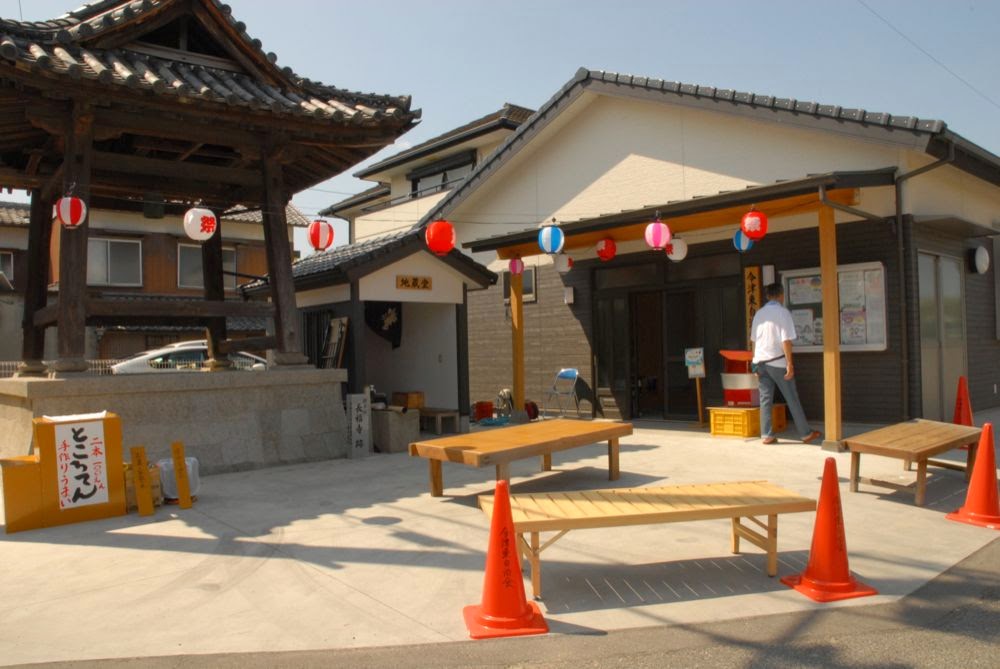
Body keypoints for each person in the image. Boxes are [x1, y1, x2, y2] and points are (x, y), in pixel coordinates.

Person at [750, 283, 821, 445]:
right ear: (781, 295)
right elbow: (786, 341)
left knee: (765, 399)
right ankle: (805, 433)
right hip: (778, 362)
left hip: (760, 362)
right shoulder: (783, 313)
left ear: (767, 296)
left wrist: (754, 362)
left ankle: (766, 434)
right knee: (792, 397)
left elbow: (754, 340)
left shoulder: (759, 314)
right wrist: (790, 363)